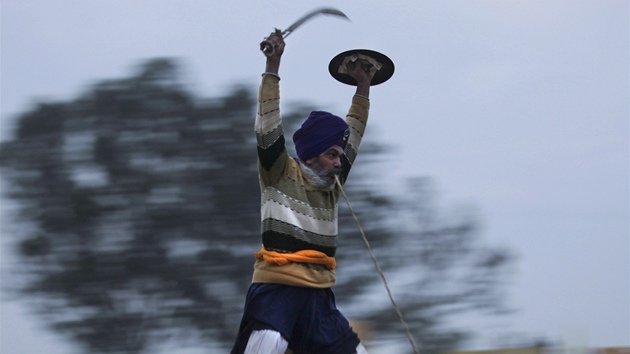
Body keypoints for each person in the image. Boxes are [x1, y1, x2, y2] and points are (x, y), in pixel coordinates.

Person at [231, 29, 374, 354]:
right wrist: (273, 64)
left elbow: (355, 131)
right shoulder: (278, 173)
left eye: (340, 155)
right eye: (332, 155)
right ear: (310, 155)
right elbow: (267, 122)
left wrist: (363, 85)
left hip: (319, 299)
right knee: (268, 343)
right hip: (276, 291)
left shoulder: (332, 185)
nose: (339, 162)